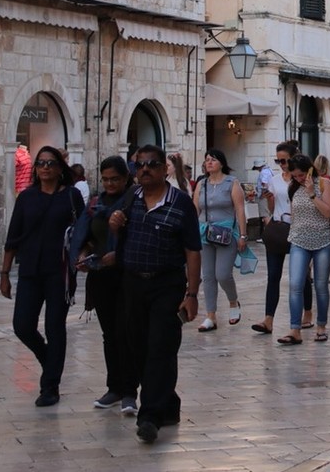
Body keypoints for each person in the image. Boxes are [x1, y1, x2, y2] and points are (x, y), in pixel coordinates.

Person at [107, 144, 202, 444]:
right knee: (139, 348)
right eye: (140, 165)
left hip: (167, 284)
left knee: (161, 347)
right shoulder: (131, 198)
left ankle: (149, 416)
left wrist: (192, 293)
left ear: (164, 169)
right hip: (133, 284)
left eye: (151, 164)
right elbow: (118, 232)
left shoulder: (181, 202)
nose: (144, 169)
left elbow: (192, 250)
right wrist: (114, 226)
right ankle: (169, 404)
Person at [0, 145, 83, 407]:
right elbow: (13, 235)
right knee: (22, 325)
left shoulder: (71, 197)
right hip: (30, 270)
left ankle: (50, 386)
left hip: (59, 272)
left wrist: (84, 256)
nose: (45, 167)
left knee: (54, 326)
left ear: (60, 168)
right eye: (41, 163)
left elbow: (83, 233)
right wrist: (4, 273)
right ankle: (49, 360)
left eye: (50, 163)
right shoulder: (27, 197)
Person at [70, 155, 138, 415]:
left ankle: (130, 390)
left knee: (126, 332)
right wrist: (83, 254)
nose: (110, 183)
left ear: (125, 179)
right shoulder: (96, 204)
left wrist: (118, 255)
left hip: (126, 275)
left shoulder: (134, 203)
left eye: (115, 179)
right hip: (101, 276)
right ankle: (115, 387)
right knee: (109, 334)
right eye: (106, 179)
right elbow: (88, 236)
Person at [251, 141, 311, 334]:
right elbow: (273, 208)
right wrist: (269, 205)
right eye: (278, 161)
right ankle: (268, 319)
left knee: (300, 277)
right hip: (278, 229)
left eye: (284, 160)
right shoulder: (274, 180)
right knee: (273, 276)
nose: (282, 165)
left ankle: (307, 313)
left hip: (299, 230)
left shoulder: (302, 180)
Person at [276, 154, 330, 345]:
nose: (299, 179)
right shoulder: (293, 187)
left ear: (310, 169)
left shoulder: (324, 184)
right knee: (295, 285)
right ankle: (295, 329)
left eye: (301, 174)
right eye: (295, 176)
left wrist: (312, 193)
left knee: (320, 285)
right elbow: (295, 214)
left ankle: (321, 326)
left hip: (322, 240)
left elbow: (328, 212)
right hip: (299, 241)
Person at [191, 149, 247, 331]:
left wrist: (243, 235)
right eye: (207, 160)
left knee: (222, 274)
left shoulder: (232, 183)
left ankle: (233, 302)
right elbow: (195, 210)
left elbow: (239, 210)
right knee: (207, 276)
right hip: (204, 232)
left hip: (226, 234)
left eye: (213, 160)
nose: (209, 163)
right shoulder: (202, 184)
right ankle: (211, 315)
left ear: (221, 163)